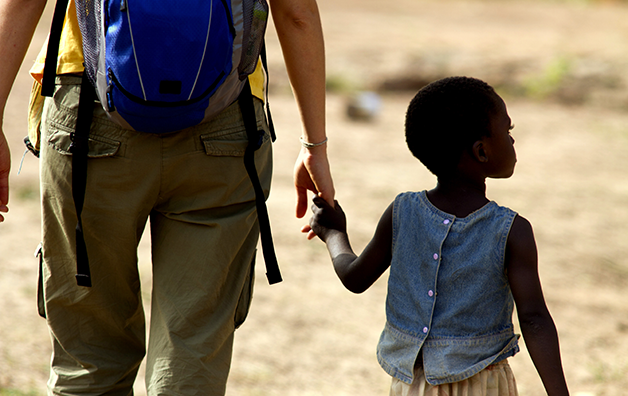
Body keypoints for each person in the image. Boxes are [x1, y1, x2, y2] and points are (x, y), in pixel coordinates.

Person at [0, 0, 334, 394]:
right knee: (191, 356)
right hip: (224, 118)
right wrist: (315, 145)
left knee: (89, 357)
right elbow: (296, 14)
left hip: (92, 110)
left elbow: (22, 3)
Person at [304, 77, 570, 395]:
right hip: (482, 385)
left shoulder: (402, 212)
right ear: (481, 151)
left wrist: (334, 233)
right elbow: (535, 318)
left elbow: (354, 277)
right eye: (508, 131)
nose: (513, 141)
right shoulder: (512, 230)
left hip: (413, 387)